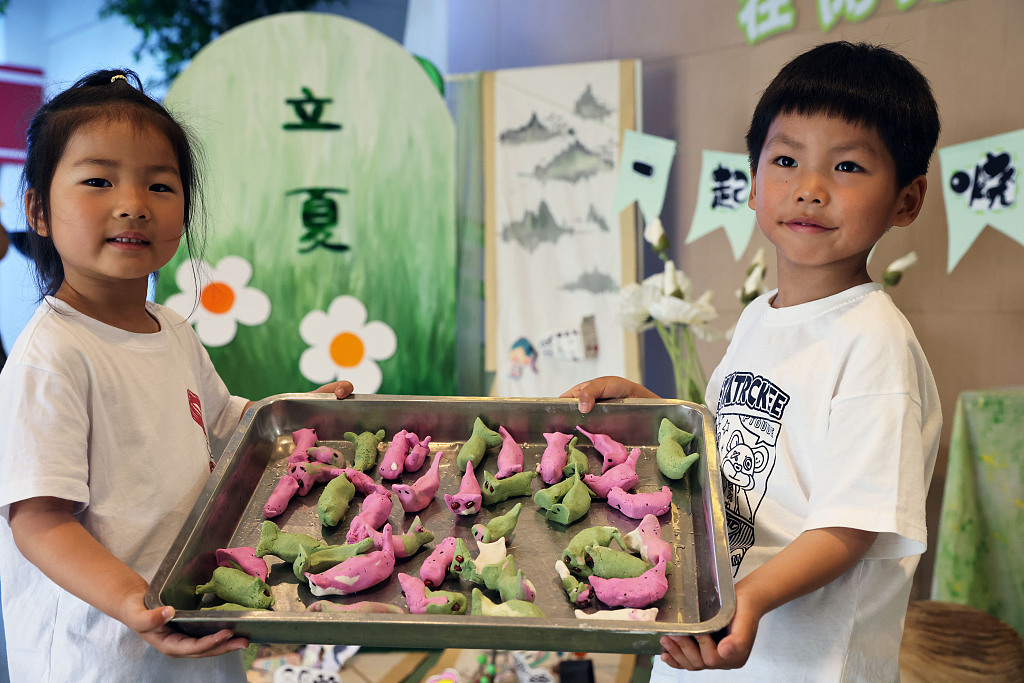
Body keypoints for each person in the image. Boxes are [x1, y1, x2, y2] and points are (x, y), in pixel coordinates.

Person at [562, 41, 941, 681]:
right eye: (787, 160)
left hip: (800, 663)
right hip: (709, 637)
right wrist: (657, 413)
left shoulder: (875, 342)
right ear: (753, 182)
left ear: (906, 200)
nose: (810, 189)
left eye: (847, 167)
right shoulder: (763, 316)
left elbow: (853, 526)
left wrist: (750, 597)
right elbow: (733, 451)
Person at [0, 69, 353, 682]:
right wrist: (132, 601)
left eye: (160, 185)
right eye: (98, 180)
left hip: (196, 631)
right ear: (38, 210)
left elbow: (225, 423)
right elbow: (39, 521)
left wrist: (298, 413)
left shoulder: (170, 328)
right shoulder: (50, 356)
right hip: (104, 656)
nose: (133, 203)